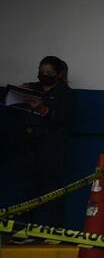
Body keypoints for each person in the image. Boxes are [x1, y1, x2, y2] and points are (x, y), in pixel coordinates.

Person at [11, 56, 76, 230]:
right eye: (42, 72)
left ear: (58, 74)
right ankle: (22, 230)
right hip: (27, 143)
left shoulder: (65, 94)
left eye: (50, 73)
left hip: (51, 146)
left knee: (51, 189)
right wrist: (17, 93)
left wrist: (42, 108)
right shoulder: (31, 88)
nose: (45, 75)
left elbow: (64, 119)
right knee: (26, 189)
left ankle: (51, 230)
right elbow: (13, 110)